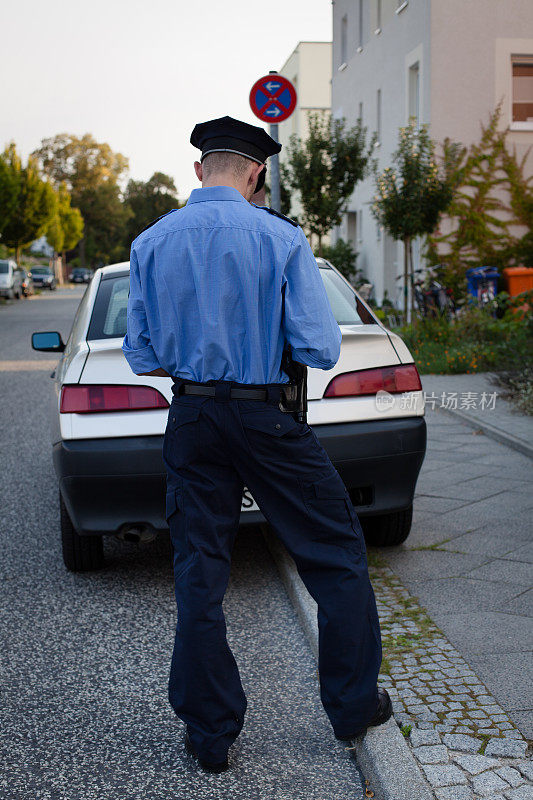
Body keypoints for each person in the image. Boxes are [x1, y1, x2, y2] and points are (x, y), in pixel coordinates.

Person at [122, 116, 391, 774]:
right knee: (333, 554)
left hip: (191, 417)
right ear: (255, 174)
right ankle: (352, 706)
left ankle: (210, 734)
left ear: (198, 171)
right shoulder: (279, 238)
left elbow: (141, 353)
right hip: (267, 418)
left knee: (199, 573)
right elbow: (318, 347)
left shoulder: (150, 242)